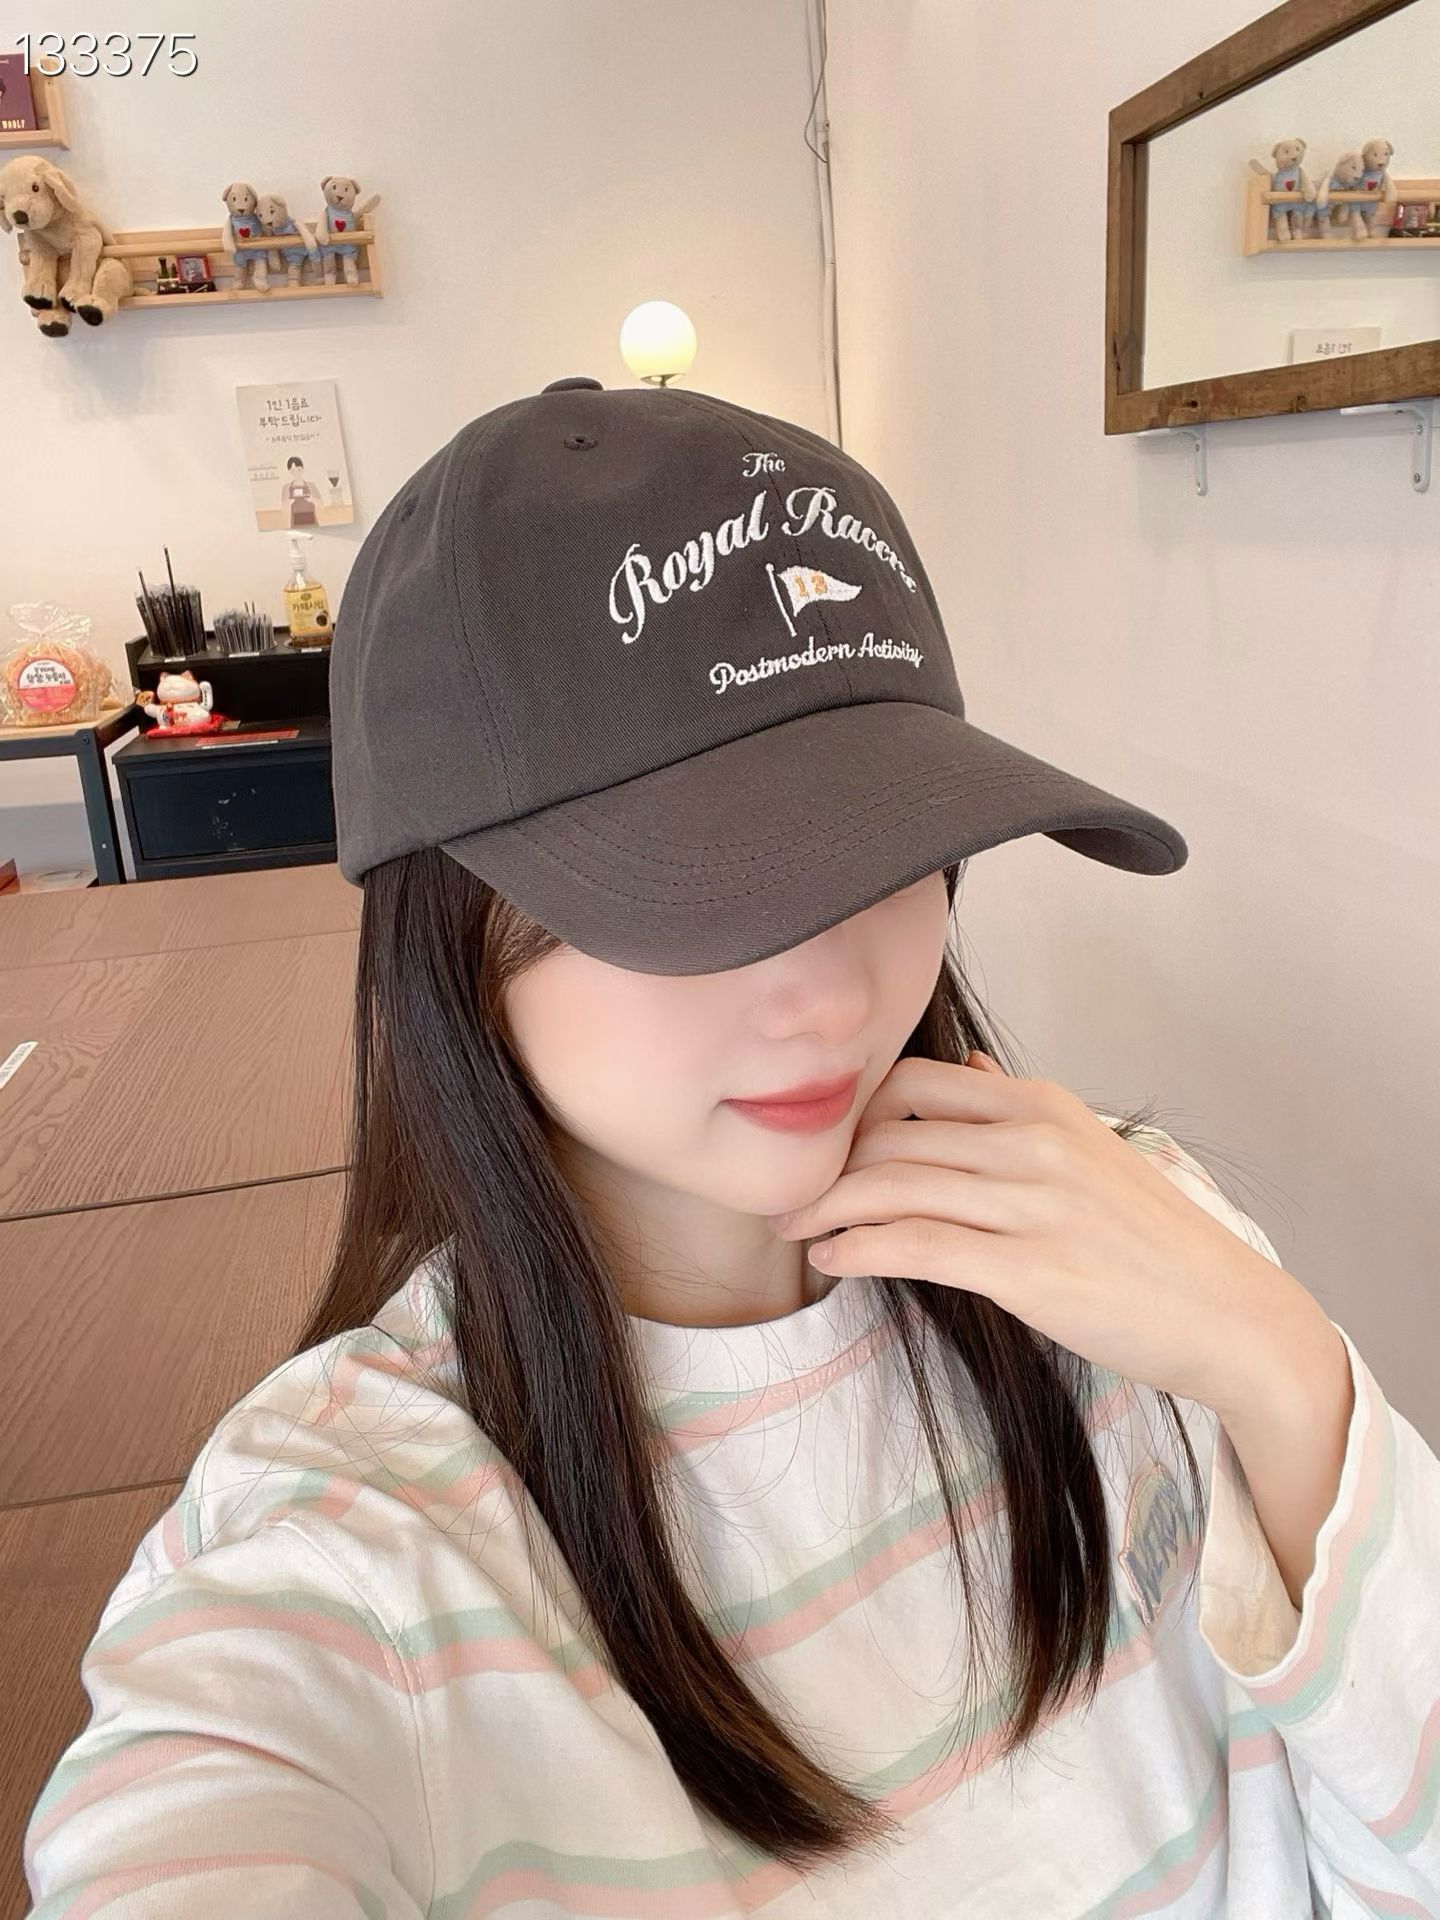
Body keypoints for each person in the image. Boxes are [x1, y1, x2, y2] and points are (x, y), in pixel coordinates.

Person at [22, 378, 1440, 1918]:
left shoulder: (1142, 1250)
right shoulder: (350, 1554)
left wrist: (1286, 1372)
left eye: (887, 840)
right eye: (693, 883)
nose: (832, 996)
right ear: (455, 932)